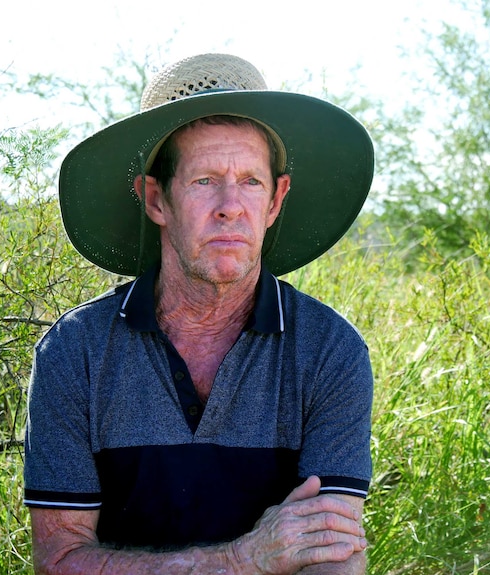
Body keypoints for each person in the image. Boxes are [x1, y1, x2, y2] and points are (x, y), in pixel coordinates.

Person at [23, 53, 375, 574]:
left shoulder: (330, 351)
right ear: (156, 198)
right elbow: (60, 560)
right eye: (206, 180)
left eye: (251, 182)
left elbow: (331, 555)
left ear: (276, 201)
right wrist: (241, 559)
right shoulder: (76, 351)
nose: (231, 205)